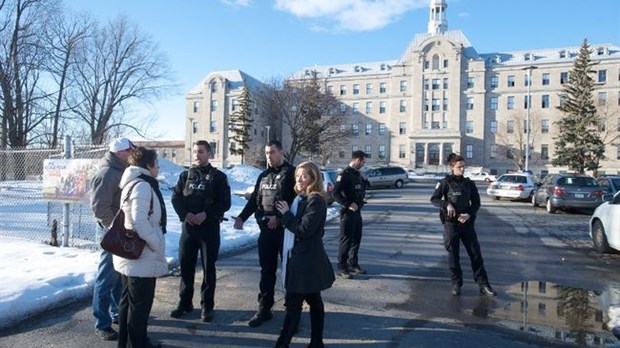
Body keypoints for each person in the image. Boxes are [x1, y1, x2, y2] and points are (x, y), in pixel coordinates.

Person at [234, 140, 296, 328]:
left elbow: (295, 201)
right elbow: (255, 200)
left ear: (282, 152)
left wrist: (279, 218)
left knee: (289, 271)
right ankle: (264, 308)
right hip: (266, 231)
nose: (269, 156)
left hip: (285, 231)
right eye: (267, 152)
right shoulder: (263, 175)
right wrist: (242, 218)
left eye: (273, 152)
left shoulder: (292, 173)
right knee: (266, 271)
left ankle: (292, 310)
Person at [274, 161, 335, 348]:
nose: (299, 179)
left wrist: (285, 215)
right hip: (301, 259)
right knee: (314, 300)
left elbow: (303, 231)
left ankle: (282, 344)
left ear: (313, 178)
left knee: (293, 305)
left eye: (304, 176)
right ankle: (317, 342)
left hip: (306, 261)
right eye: (298, 175)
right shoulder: (301, 198)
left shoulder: (315, 200)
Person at [170, 141, 231, 322]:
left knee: (208, 269)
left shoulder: (218, 177)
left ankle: (207, 306)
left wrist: (207, 214)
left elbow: (225, 202)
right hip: (189, 229)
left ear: (209, 154)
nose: (197, 155)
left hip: (209, 229)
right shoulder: (185, 176)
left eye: (201, 152)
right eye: (195, 151)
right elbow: (176, 198)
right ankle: (185, 303)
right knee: (186, 266)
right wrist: (186, 214)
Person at [114, 146, 168, 348]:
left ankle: (126, 342)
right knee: (139, 306)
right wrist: (156, 242)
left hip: (132, 254)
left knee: (128, 301)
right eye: (157, 164)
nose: (159, 168)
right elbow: (138, 221)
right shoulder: (142, 185)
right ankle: (138, 343)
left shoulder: (132, 182)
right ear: (148, 164)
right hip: (141, 255)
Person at [430, 153, 497, 297]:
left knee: (475, 254)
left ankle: (483, 285)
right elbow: (434, 199)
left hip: (466, 224)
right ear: (452, 167)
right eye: (459, 167)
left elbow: (476, 203)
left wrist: (469, 214)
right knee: (453, 256)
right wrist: (446, 204)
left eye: (463, 167)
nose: (462, 169)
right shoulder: (444, 182)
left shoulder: (469, 183)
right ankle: (456, 284)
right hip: (451, 224)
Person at [90, 137, 135, 341]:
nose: (132, 153)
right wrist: (114, 227)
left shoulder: (120, 169)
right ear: (119, 153)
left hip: (119, 229)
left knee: (118, 274)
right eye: (129, 150)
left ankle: (118, 313)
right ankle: (102, 323)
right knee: (106, 277)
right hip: (111, 231)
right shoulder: (108, 173)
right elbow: (100, 207)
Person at [332, 150, 367, 279]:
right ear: (357, 159)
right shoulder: (344, 174)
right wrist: (348, 204)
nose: (363, 164)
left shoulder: (358, 174)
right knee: (346, 240)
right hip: (347, 214)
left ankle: (353, 264)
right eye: (362, 161)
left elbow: (362, 189)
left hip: (358, 213)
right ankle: (342, 267)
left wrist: (364, 179)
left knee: (356, 239)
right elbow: (335, 193)